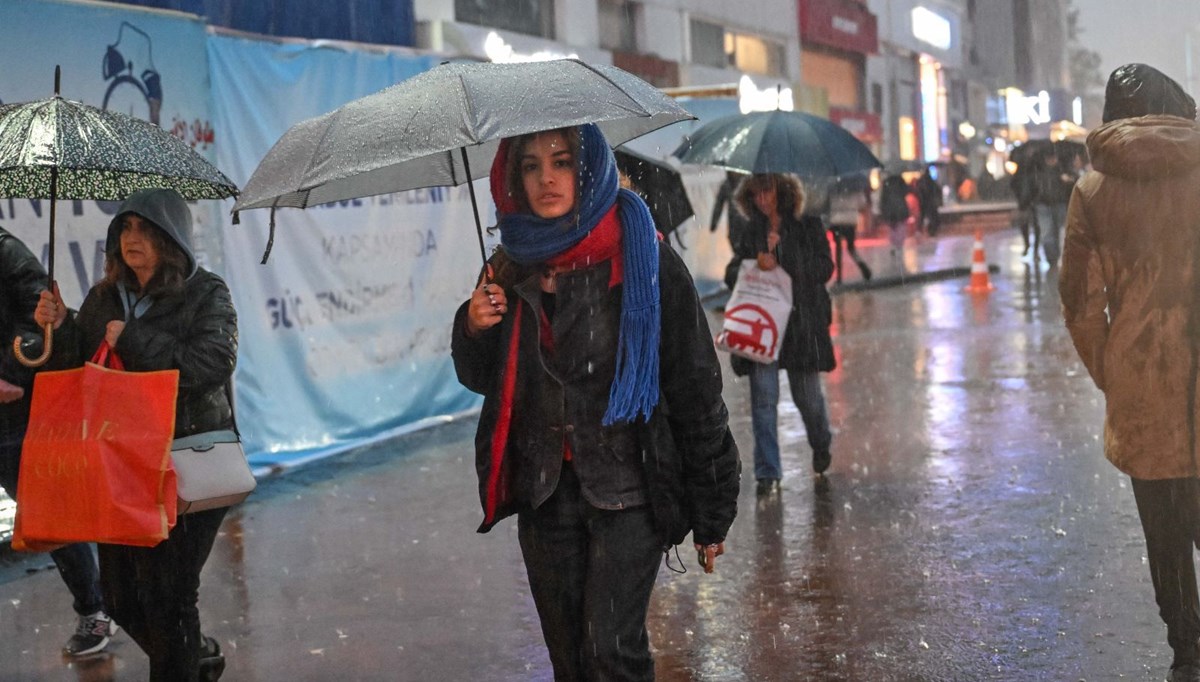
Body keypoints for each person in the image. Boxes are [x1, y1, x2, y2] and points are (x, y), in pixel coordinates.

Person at [451, 124, 740, 680]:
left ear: (587, 170)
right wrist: (474, 326)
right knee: (569, 660)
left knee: (612, 650)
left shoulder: (644, 260)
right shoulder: (509, 266)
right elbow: (484, 379)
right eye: (531, 166)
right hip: (546, 493)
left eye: (561, 161)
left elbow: (695, 390)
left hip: (628, 490)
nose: (546, 178)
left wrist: (712, 510)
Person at [35, 188, 237, 682]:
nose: (132, 239)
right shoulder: (106, 296)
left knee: (170, 596)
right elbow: (84, 369)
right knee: (123, 598)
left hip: (185, 463)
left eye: (145, 228)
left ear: (172, 237)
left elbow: (209, 365)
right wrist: (59, 328)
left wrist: (131, 337)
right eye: (125, 227)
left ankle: (183, 659)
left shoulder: (207, 292)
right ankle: (195, 656)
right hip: (122, 465)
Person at [1059, 63, 1200, 682]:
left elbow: (1080, 304)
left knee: (1164, 528)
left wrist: (1115, 373)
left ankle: (1187, 649)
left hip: (1143, 386)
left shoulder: (1093, 190)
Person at [1, 228, 115, 657]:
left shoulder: (5, 251)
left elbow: (39, 318)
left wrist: (11, 371)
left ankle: (95, 609)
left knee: (47, 515)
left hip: (10, 412)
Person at [724, 173, 835, 494]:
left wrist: (783, 257)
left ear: (782, 190)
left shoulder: (808, 225)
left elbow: (823, 269)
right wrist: (753, 263)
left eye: (767, 191)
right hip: (763, 328)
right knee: (763, 400)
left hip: (801, 328)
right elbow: (732, 273)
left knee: (808, 399)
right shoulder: (751, 230)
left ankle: (821, 442)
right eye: (756, 193)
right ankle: (767, 473)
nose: (762, 199)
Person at [1031, 145, 1076, 266]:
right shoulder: (1038, 171)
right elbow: (1033, 188)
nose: (1052, 161)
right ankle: (1051, 258)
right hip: (1043, 205)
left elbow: (1074, 184)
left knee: (1058, 231)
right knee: (1047, 233)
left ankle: (1054, 256)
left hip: (1059, 204)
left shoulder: (1063, 170)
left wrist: (1068, 181)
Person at [826, 174, 873, 282]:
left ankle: (839, 277)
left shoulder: (833, 188)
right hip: (850, 222)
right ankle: (864, 268)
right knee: (851, 249)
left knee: (838, 249)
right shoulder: (855, 188)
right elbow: (862, 204)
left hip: (836, 222)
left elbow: (828, 205)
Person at [879, 172, 911, 254]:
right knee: (901, 226)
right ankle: (899, 245)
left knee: (892, 227)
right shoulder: (901, 181)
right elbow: (906, 191)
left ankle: (894, 244)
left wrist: (882, 209)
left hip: (890, 208)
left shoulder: (886, 182)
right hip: (900, 207)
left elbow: (883, 198)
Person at [915, 165, 943, 236]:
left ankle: (922, 230)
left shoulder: (920, 182)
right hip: (930, 202)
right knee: (933, 217)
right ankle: (931, 230)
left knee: (923, 217)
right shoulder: (931, 181)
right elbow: (937, 191)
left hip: (923, 202)